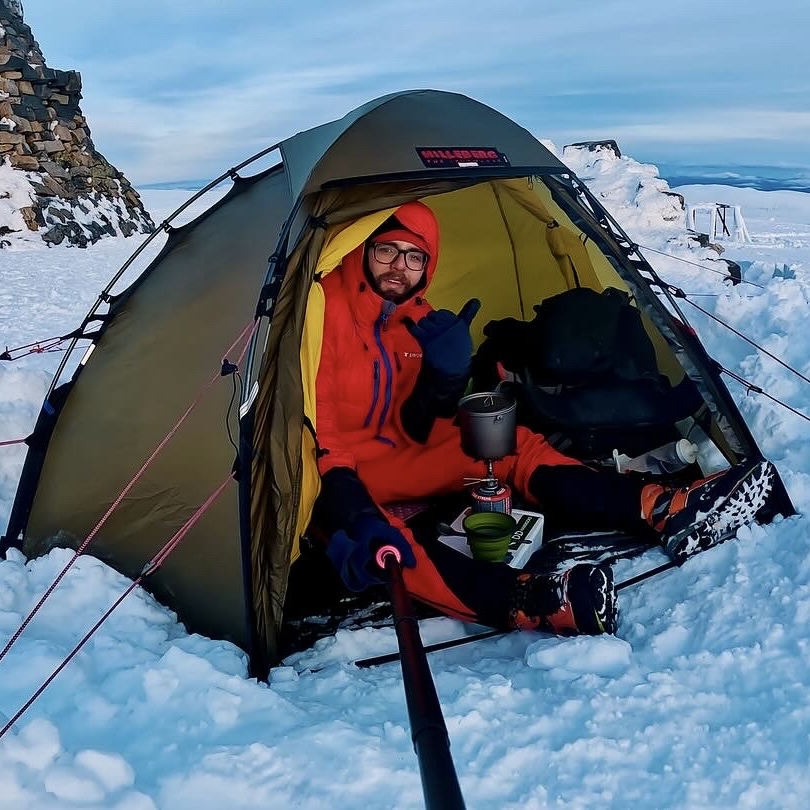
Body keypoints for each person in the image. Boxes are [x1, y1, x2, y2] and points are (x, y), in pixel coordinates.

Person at [312, 200, 775, 636]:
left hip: (401, 453)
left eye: (415, 257)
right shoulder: (321, 314)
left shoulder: (421, 319)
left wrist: (446, 375)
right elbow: (325, 440)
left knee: (513, 442)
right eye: (388, 250)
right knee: (376, 539)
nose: (400, 267)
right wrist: (352, 510)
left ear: (428, 267)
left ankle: (658, 506)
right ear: (363, 250)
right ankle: (525, 600)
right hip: (338, 470)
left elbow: (418, 422)